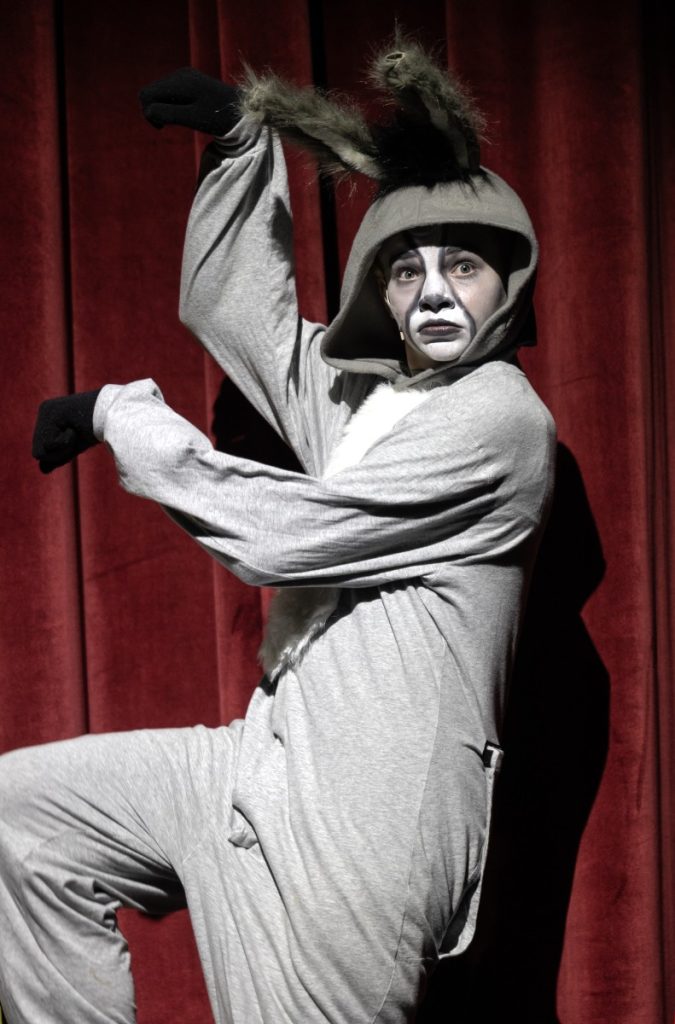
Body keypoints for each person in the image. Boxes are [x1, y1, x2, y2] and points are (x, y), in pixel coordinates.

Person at [0, 40, 556, 1024]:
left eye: (463, 267)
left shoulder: (500, 422)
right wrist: (238, 149)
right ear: (380, 297)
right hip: (250, 771)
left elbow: (281, 536)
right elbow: (242, 318)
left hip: (360, 842)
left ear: (506, 285)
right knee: (22, 822)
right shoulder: (372, 406)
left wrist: (119, 413)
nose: (433, 291)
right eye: (406, 270)